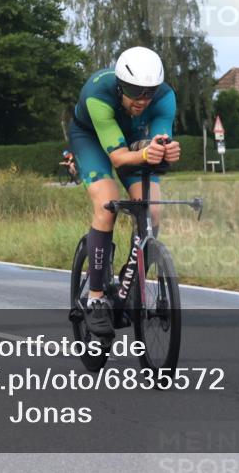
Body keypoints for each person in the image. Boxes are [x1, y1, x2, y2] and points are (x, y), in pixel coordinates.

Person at [68, 46, 181, 339]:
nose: (143, 100)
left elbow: (157, 139)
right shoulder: (98, 94)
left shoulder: (165, 97)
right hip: (91, 140)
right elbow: (118, 157)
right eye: (135, 92)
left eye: (149, 92)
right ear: (120, 85)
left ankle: (130, 281)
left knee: (152, 209)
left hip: (134, 142)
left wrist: (166, 150)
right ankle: (95, 296)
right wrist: (147, 154)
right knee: (107, 204)